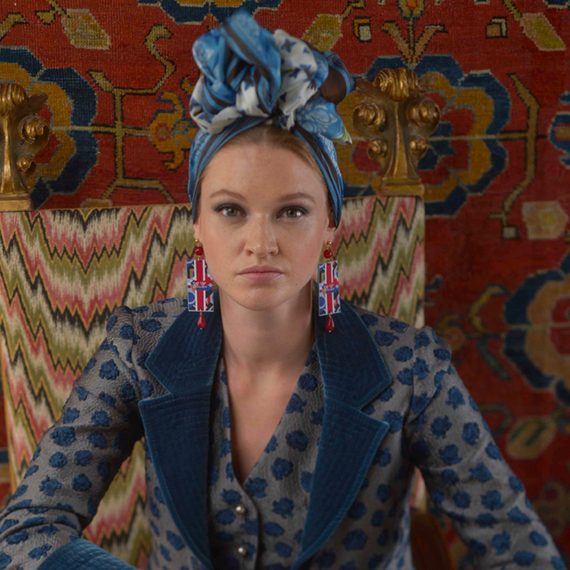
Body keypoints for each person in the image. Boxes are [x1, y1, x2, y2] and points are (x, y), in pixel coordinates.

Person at [0, 9, 566, 570]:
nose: (260, 243)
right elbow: (26, 531)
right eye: (231, 210)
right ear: (197, 224)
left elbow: (520, 550)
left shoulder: (412, 371)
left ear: (330, 225)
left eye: (292, 211)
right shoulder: (138, 351)